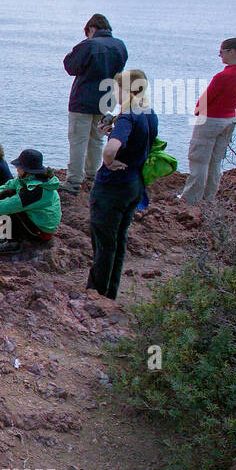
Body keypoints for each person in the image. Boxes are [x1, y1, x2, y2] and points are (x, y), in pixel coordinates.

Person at [87, 70, 157, 300]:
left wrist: (109, 160)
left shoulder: (127, 116)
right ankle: (110, 291)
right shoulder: (148, 112)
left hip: (113, 187)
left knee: (103, 241)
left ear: (126, 89)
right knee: (118, 240)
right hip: (134, 184)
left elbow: (112, 148)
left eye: (116, 88)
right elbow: (146, 142)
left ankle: (96, 290)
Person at [179, 38, 236, 204]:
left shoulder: (223, 76)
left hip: (210, 120)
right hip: (229, 119)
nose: (219, 54)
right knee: (215, 162)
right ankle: (209, 199)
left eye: (222, 51)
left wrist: (197, 110)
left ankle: (190, 200)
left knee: (199, 160)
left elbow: (205, 100)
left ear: (232, 52)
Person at [63, 13, 129, 195]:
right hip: (106, 98)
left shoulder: (89, 45)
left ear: (91, 29)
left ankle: (74, 180)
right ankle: (92, 175)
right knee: (97, 138)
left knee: (78, 140)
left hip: (83, 99)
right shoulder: (120, 45)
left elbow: (71, 67)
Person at [0, 149, 62, 254]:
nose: (17, 169)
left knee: (10, 207)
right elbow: (8, 185)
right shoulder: (29, 179)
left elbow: (9, 205)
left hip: (41, 231)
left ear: (27, 170)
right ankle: (6, 234)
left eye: (19, 166)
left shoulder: (35, 191)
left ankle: (13, 243)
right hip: (37, 220)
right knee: (7, 193)